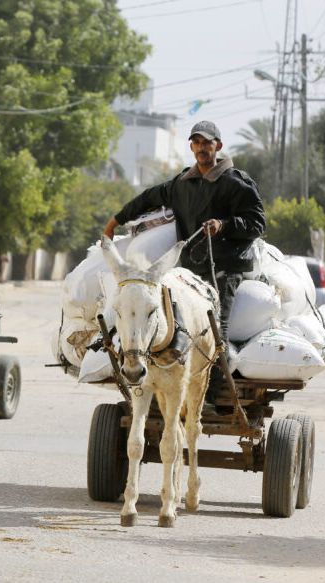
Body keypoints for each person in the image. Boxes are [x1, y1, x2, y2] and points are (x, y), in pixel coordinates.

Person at [103, 120, 266, 412]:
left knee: (215, 330)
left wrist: (224, 225)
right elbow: (147, 199)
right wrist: (115, 221)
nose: (202, 148)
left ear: (219, 146)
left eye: (207, 143)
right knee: (171, 326)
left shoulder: (236, 183)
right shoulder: (182, 184)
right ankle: (158, 384)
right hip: (190, 270)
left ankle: (212, 399)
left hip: (224, 269)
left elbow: (257, 223)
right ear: (191, 146)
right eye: (197, 143)